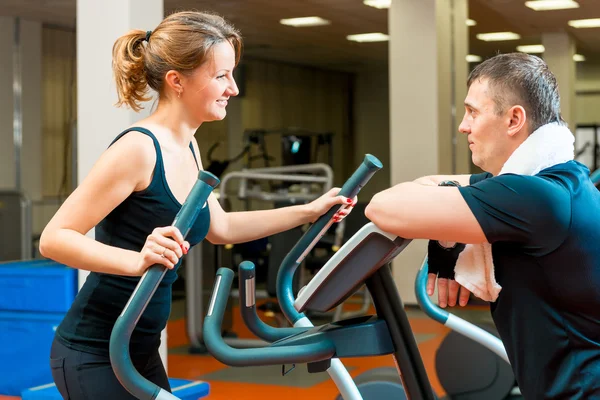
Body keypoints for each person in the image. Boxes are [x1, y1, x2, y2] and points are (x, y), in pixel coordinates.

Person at [39, 11, 356, 400]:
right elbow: (55, 238)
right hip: (93, 350)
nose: (233, 88)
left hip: (138, 348)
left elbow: (221, 227)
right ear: (177, 81)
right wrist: (137, 260)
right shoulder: (138, 149)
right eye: (221, 76)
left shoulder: (189, 146)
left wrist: (310, 211)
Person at [365, 52, 600, 399]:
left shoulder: (533, 197)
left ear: (514, 119)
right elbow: (433, 183)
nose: (463, 125)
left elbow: (382, 206)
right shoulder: (563, 180)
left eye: (473, 112)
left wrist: (446, 221)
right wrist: (447, 234)